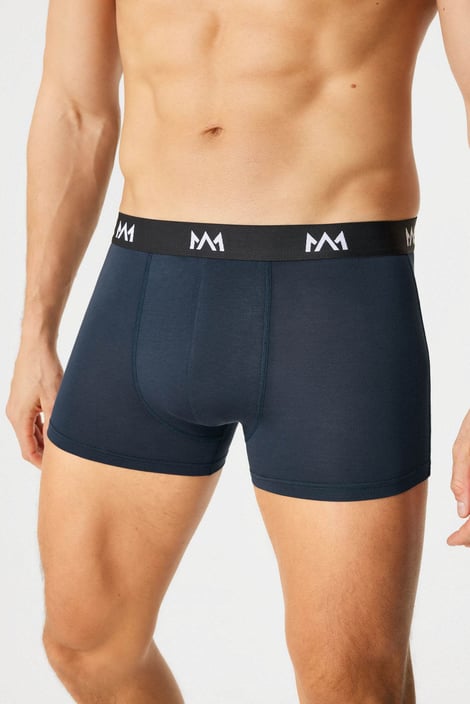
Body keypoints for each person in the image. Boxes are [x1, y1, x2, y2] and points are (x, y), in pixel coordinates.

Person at [5, 0, 470, 702]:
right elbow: (75, 107)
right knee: (86, 645)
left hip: (334, 308)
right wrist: (35, 330)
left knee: (353, 684)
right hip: (144, 289)